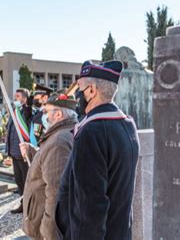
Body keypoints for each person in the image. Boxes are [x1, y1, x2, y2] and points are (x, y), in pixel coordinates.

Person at [55, 60, 140, 240]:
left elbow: (90, 209)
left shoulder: (91, 132)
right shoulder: (127, 124)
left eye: (80, 88)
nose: (76, 95)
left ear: (92, 90)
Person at [20, 93, 78, 240]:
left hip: (45, 228)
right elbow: (50, 162)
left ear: (58, 114)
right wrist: (33, 152)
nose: (43, 115)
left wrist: (48, 233)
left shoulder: (59, 141)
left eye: (46, 112)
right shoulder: (63, 133)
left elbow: (55, 192)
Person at [6, 88, 33, 214]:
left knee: (27, 181)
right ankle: (23, 204)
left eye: (17, 96)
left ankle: (30, 206)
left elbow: (28, 114)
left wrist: (28, 105)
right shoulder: (15, 111)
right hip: (14, 151)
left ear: (24, 98)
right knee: (19, 181)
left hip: (23, 153)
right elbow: (10, 130)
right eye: (15, 96)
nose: (15, 98)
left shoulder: (27, 111)